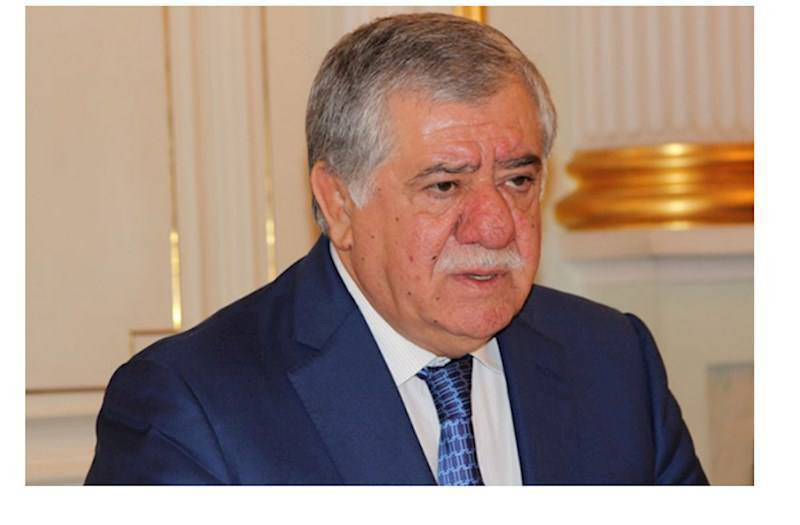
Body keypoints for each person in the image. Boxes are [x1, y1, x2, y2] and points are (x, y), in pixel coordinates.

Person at [85, 12, 707, 485]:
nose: (495, 226)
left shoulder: (614, 361)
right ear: (338, 204)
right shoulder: (192, 408)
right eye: (445, 186)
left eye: (518, 180)